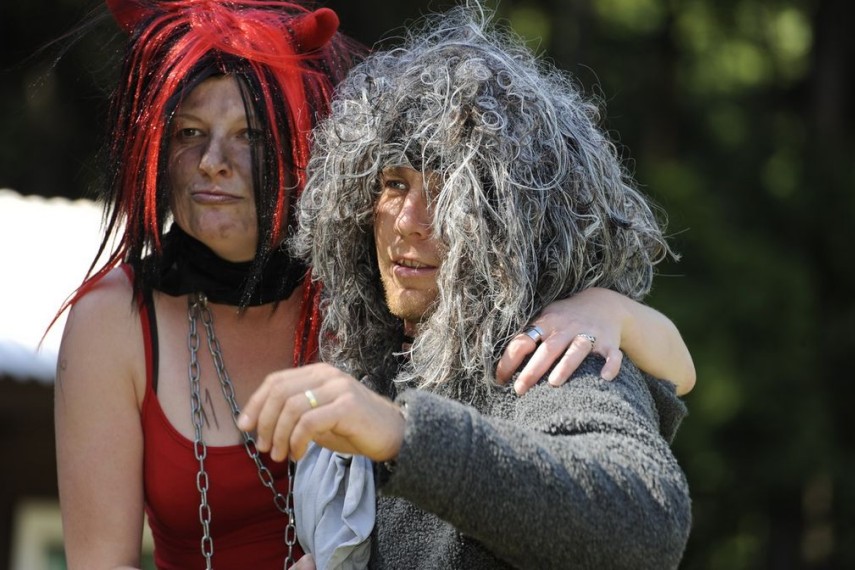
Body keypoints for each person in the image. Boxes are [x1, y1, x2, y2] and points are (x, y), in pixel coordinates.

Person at [54, 1, 693, 568]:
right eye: (392, 184)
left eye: (250, 134)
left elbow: (644, 510)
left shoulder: (538, 348)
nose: (410, 221)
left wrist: (612, 313)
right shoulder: (380, 307)